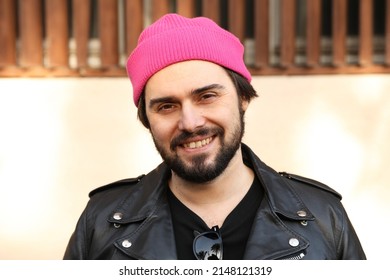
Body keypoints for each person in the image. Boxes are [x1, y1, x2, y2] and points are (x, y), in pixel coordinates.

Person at [63, 13, 366, 260]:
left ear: (242, 98)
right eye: (166, 106)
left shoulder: (322, 218)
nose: (190, 123)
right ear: (147, 119)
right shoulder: (101, 223)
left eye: (207, 96)